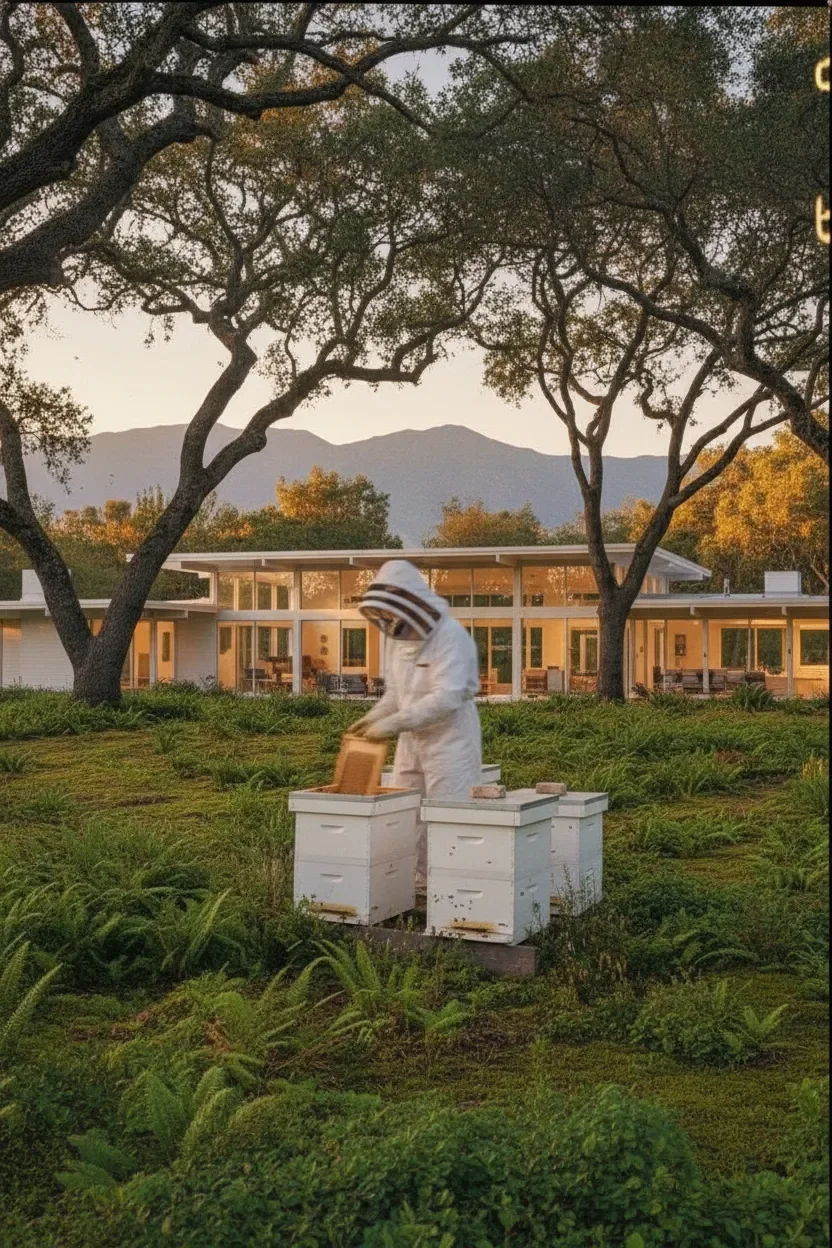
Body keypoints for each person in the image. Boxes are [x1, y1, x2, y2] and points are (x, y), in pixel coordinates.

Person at [351, 560, 482, 887]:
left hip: (450, 740)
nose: (392, 621)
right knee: (405, 814)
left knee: (446, 814)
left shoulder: (451, 635)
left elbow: (447, 697)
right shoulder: (396, 640)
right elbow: (396, 693)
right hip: (410, 741)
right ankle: (415, 885)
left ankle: (450, 885)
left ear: (414, 601)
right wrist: (373, 717)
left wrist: (394, 723)